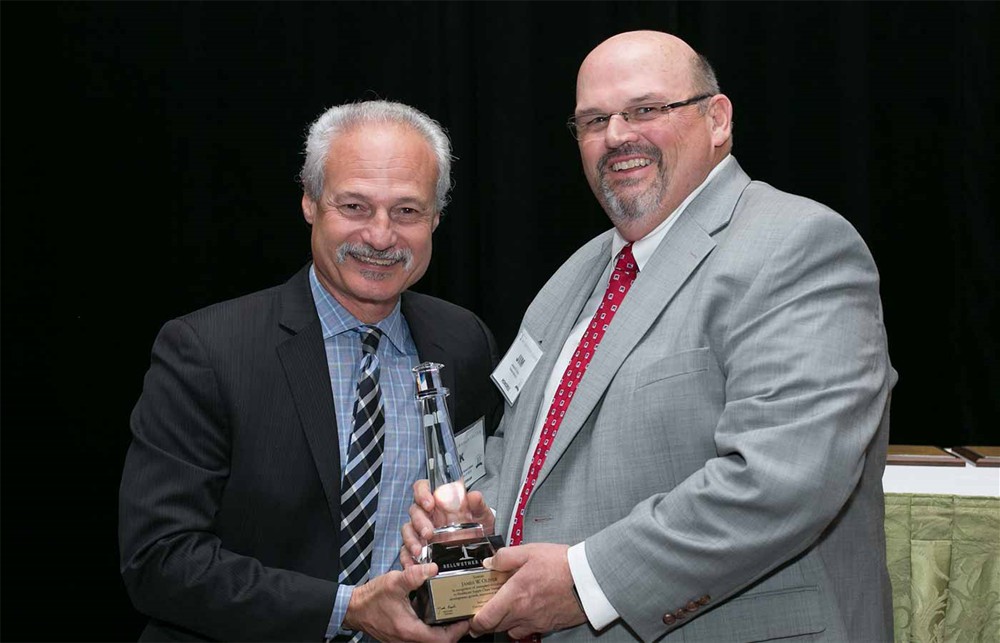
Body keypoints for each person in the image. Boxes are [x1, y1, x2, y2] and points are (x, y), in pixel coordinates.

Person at [404, 31, 896, 642]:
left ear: (716, 120)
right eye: (594, 120)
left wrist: (586, 582)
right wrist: (479, 515)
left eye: (645, 110)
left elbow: (780, 478)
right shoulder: (573, 278)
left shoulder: (797, 245)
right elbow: (519, 445)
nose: (616, 136)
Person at [119, 100, 502, 642]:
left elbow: (478, 497)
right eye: (354, 206)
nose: (380, 235)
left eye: (408, 211)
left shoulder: (464, 342)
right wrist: (347, 607)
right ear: (309, 202)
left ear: (436, 218)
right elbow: (159, 560)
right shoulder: (206, 351)